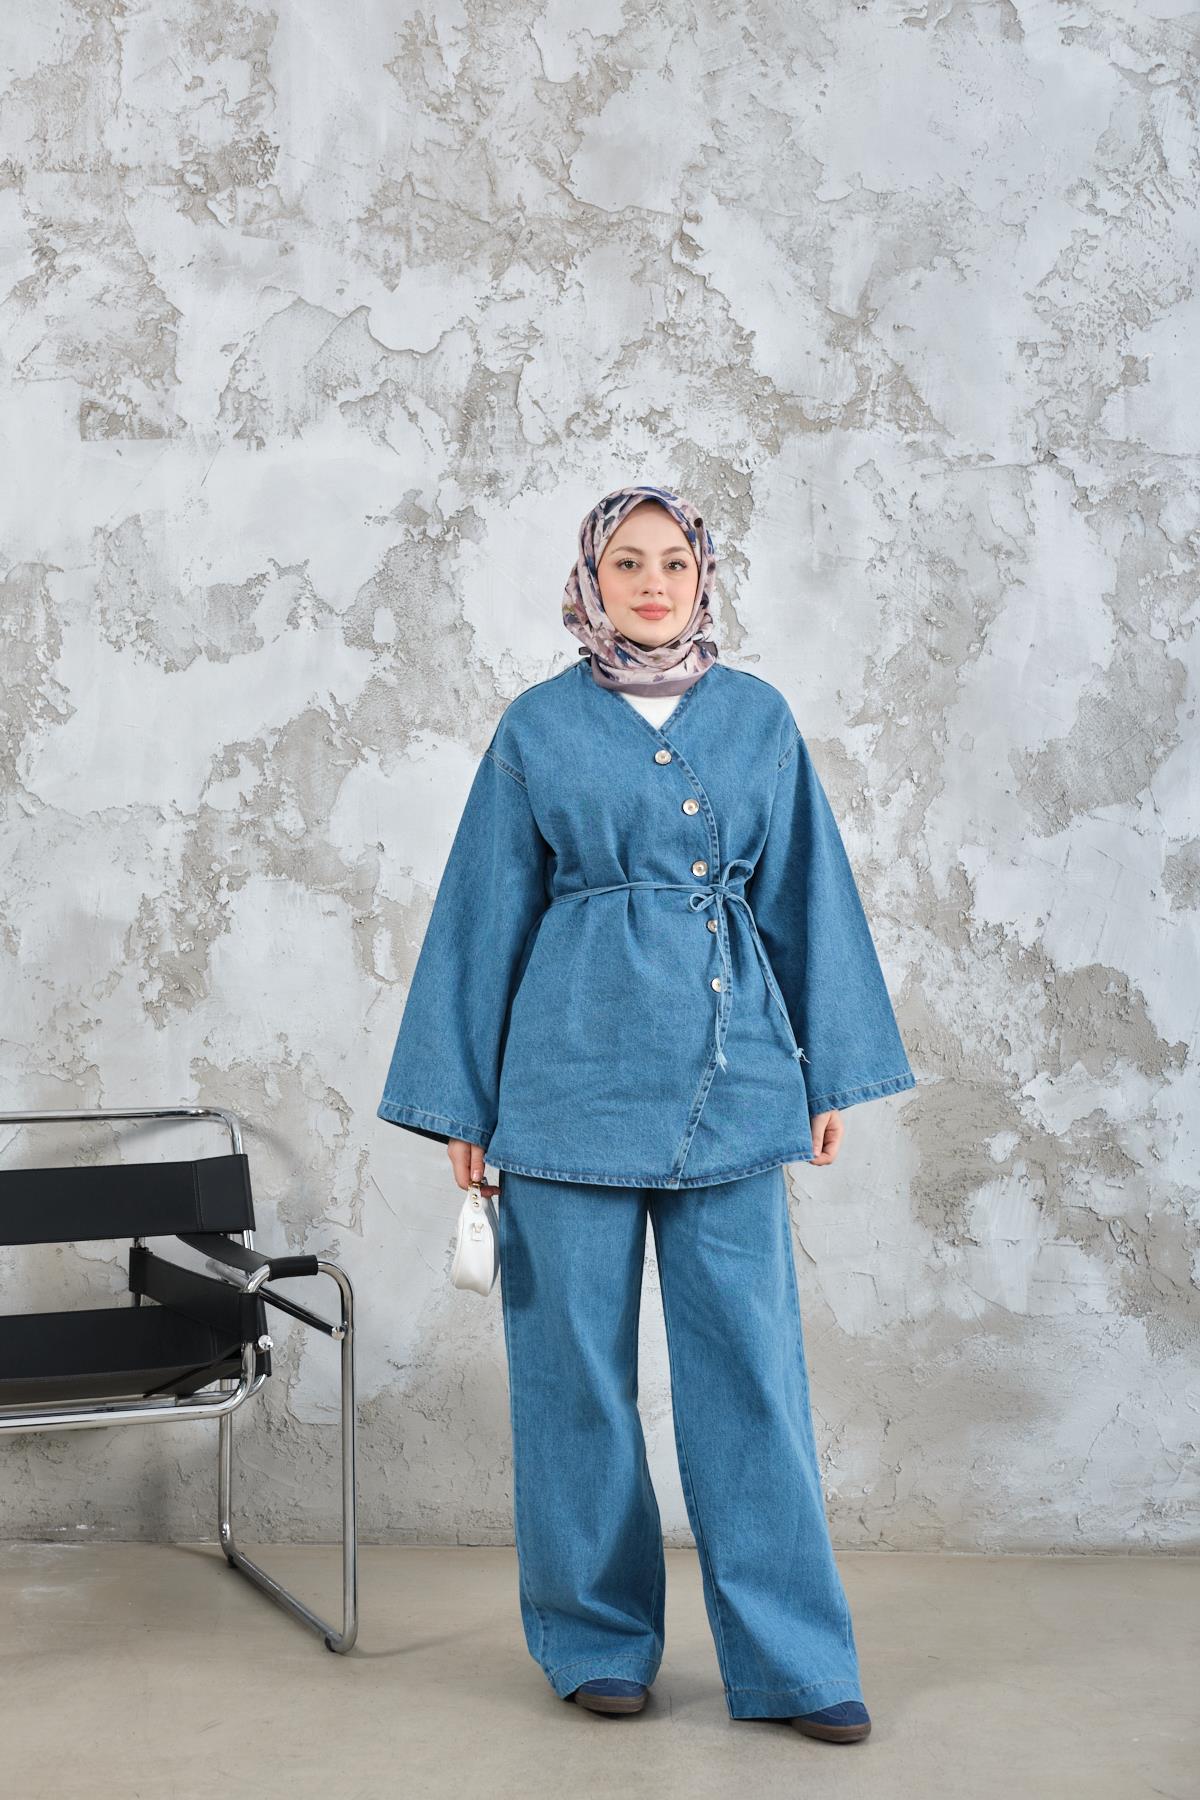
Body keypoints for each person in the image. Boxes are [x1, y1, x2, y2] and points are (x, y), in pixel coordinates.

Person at [378, 483, 916, 1743]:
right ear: (592, 581)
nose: (655, 583)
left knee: (753, 1379)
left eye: (674, 561)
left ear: (703, 576)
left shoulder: (759, 718)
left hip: (734, 1083)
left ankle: (792, 1661)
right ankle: (596, 1640)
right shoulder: (536, 728)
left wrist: (826, 1072)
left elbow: (809, 893)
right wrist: (462, 1102)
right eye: (629, 563)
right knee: (572, 1377)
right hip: (562, 1090)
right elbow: (482, 914)